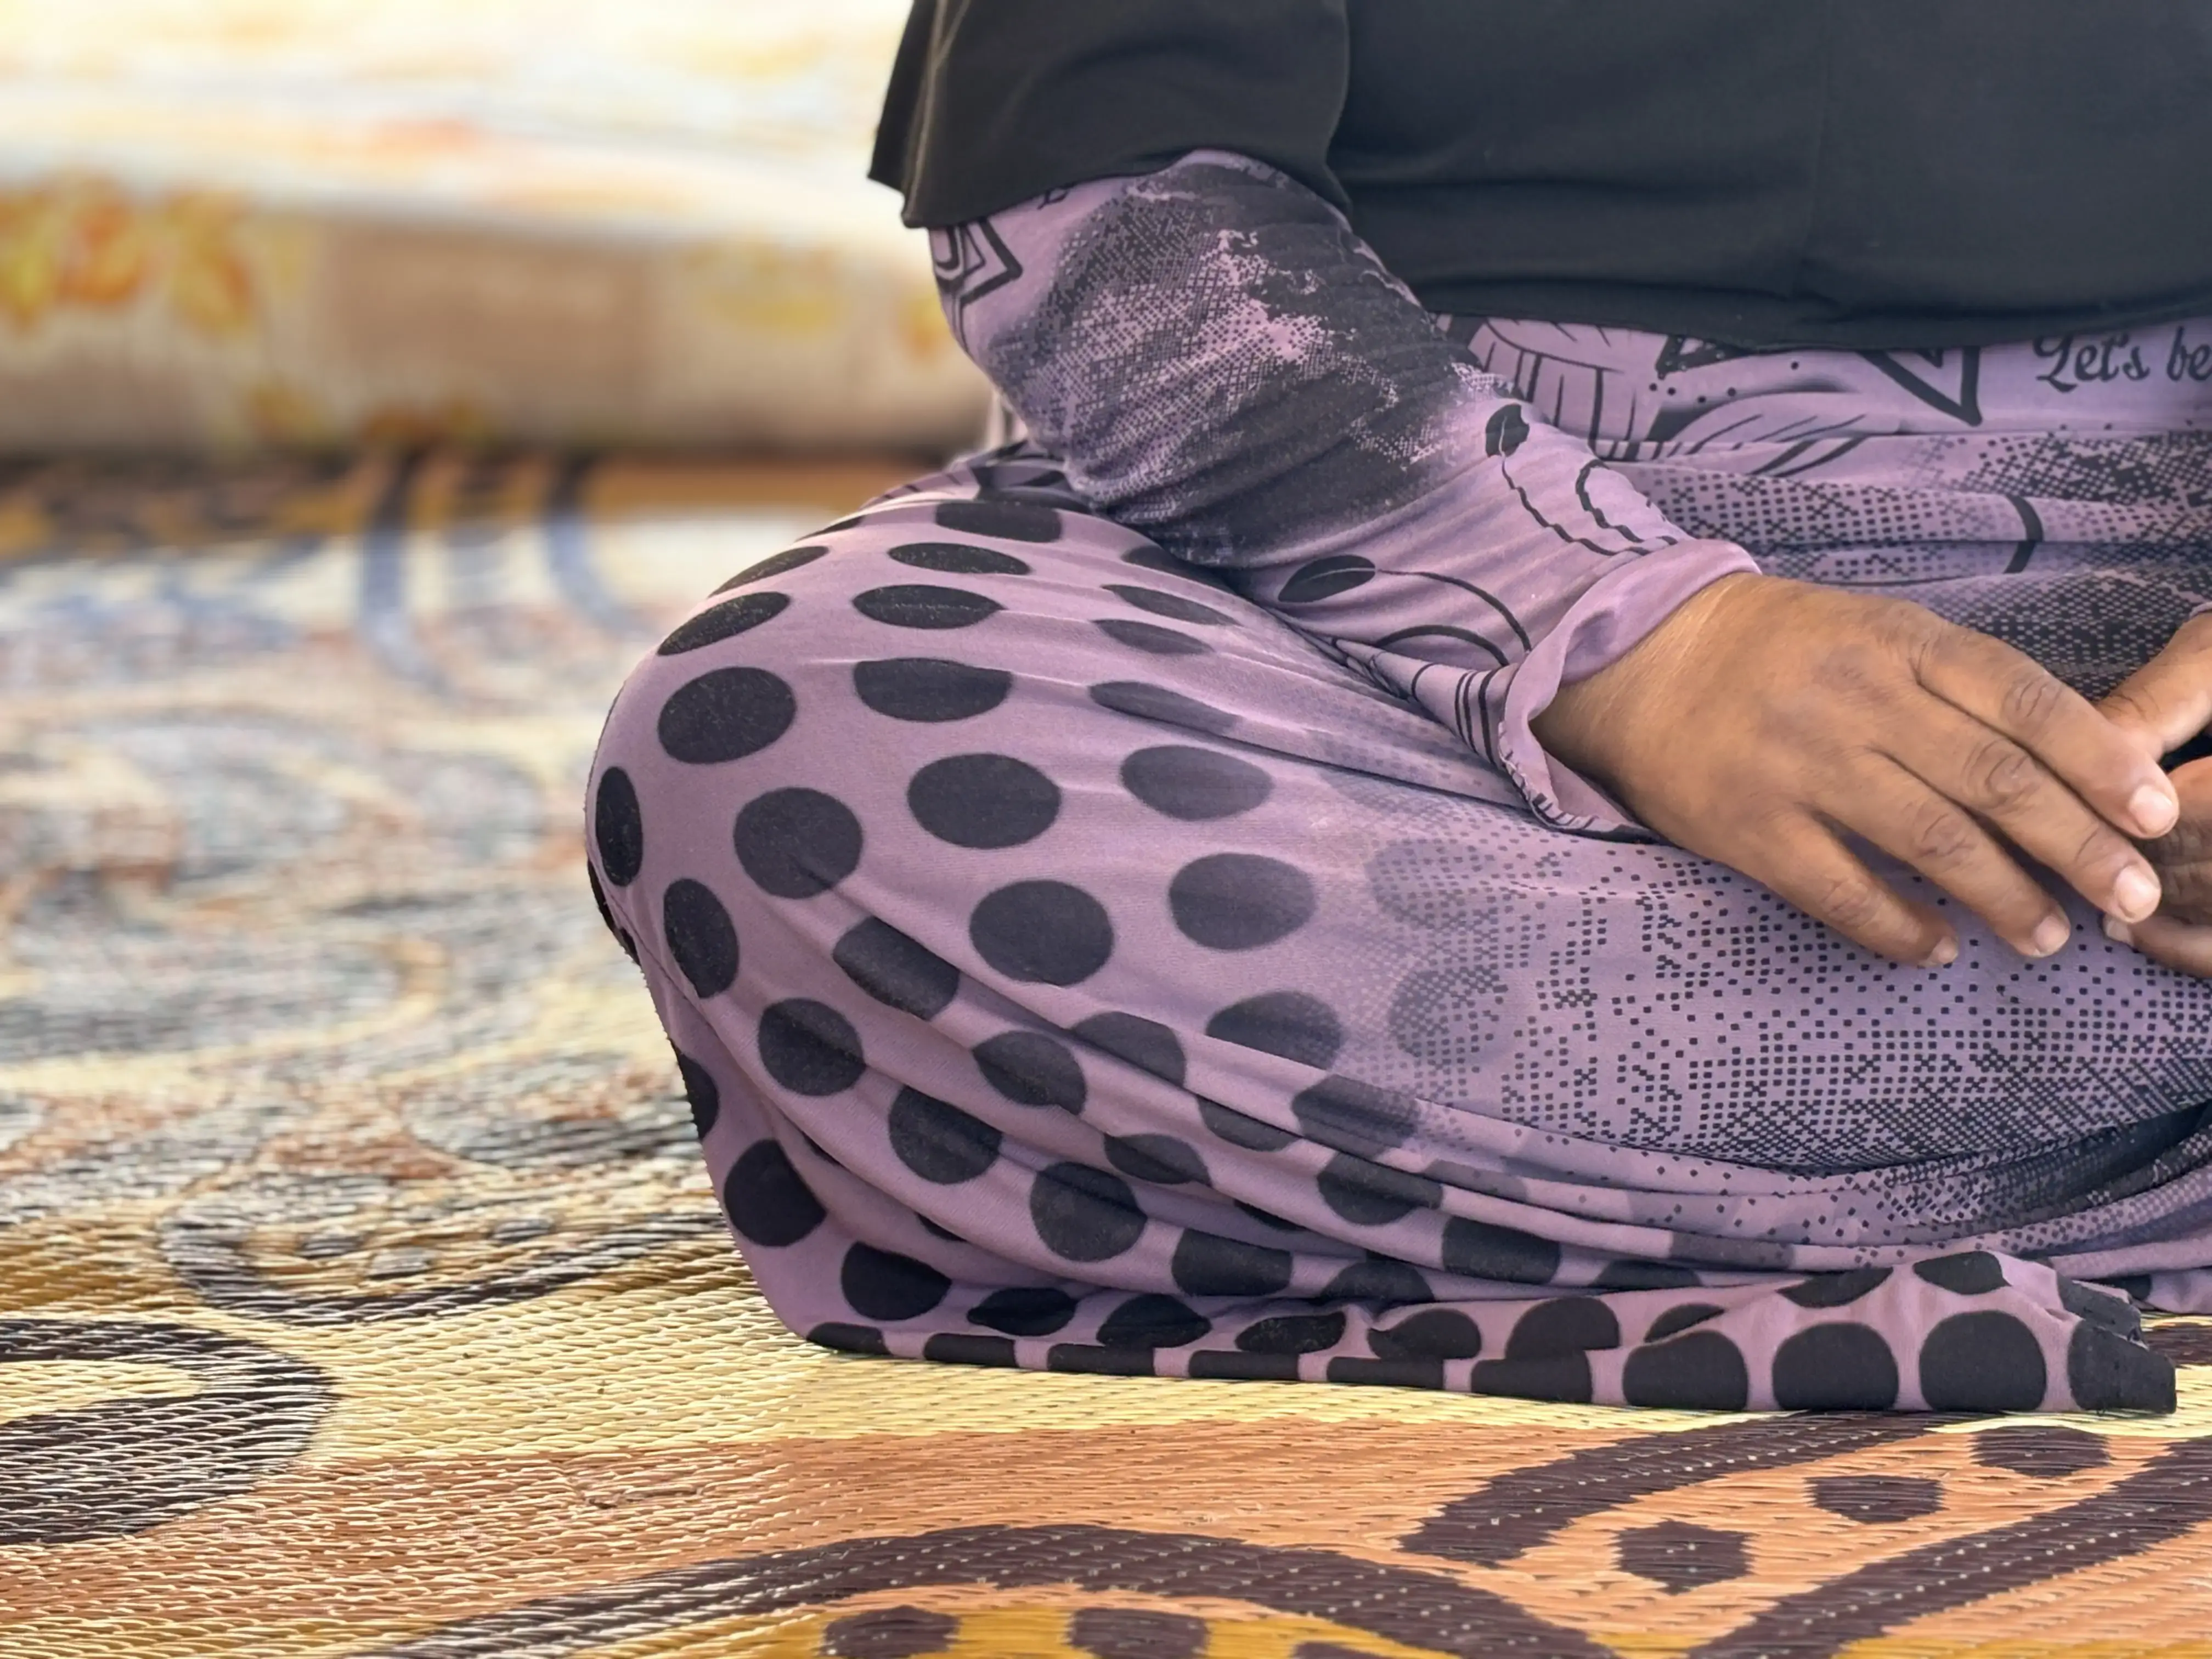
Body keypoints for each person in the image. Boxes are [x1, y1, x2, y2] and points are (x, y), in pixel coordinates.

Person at [585, 1, 2212, 1410]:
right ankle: (2091, 1173)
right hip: (1356, 532)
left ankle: (1498, 1226)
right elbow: (1105, 204)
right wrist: (1627, 637)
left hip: (2150, 560)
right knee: (782, 761)